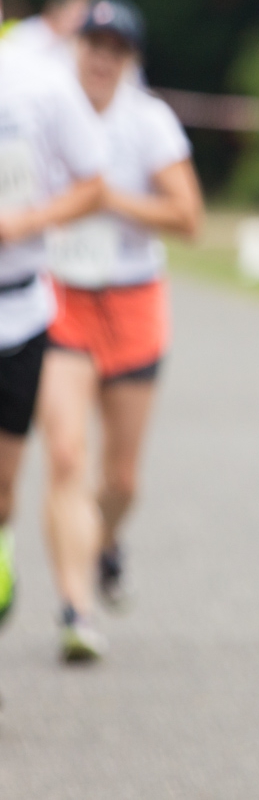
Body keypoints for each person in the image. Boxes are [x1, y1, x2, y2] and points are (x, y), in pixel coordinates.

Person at [34, 0, 202, 662]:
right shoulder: (43, 111)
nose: (101, 59)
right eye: (91, 46)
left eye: (114, 49)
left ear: (129, 60)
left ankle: (103, 540)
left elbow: (188, 216)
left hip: (131, 298)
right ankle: (75, 605)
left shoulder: (147, 121)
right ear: (76, 50)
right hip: (62, 296)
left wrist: (110, 200)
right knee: (66, 454)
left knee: (122, 478)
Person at [0, 34, 107, 637]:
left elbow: (92, 183)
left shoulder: (37, 84)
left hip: (17, 312)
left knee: (3, 490)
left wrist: (25, 222)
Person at [0, 0, 100, 76]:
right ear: (58, 9)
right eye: (79, 14)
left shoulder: (67, 44)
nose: (82, 22)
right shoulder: (25, 36)